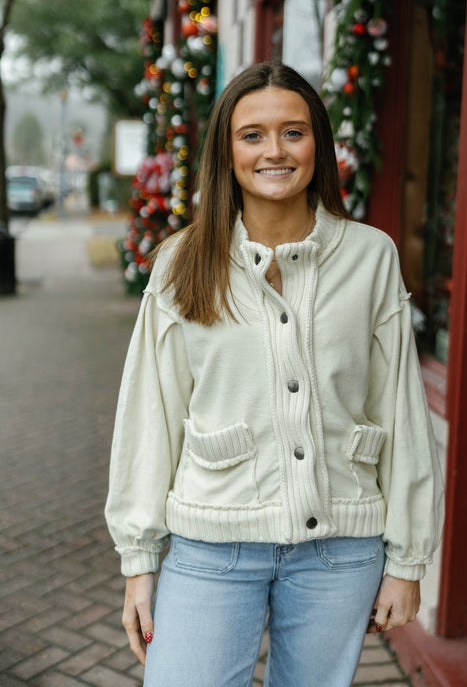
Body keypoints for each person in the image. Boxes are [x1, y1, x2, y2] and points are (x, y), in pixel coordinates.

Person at [105, 61, 444, 686]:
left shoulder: (371, 256)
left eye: (293, 131)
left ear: (318, 141)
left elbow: (399, 410)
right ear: (226, 151)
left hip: (341, 548)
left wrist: (408, 559)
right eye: (252, 135)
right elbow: (148, 415)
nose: (274, 151)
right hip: (213, 543)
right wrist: (138, 559)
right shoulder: (183, 261)